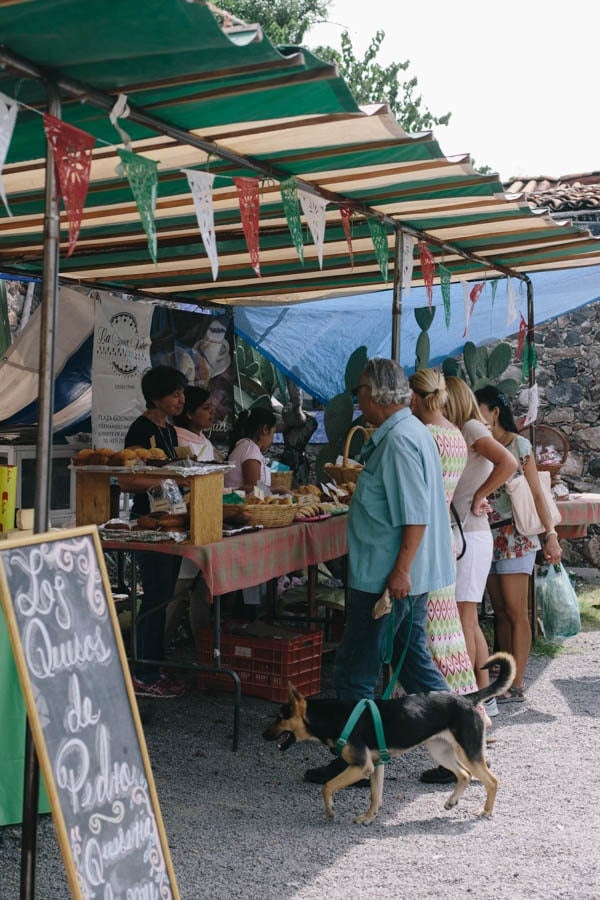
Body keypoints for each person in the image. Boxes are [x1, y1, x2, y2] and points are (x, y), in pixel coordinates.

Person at [305, 358, 455, 785]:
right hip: (400, 574)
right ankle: (458, 745)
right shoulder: (409, 433)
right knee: (414, 664)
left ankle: (356, 760)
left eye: (358, 393)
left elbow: (415, 516)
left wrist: (401, 570)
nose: (357, 401)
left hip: (387, 579)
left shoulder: (401, 441)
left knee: (355, 668)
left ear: (371, 395)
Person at [475, 385, 562, 701]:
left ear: (494, 412)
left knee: (515, 611)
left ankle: (517, 682)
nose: (475, 415)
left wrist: (550, 534)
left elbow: (538, 494)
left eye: (479, 409)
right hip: (489, 535)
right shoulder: (481, 445)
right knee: (499, 610)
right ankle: (506, 678)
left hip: (516, 536)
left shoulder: (519, 444)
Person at [119, 365, 188, 699]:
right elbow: (127, 480)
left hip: (171, 521)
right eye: (174, 393)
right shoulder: (139, 429)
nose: (181, 399)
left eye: (182, 392)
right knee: (155, 597)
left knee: (164, 595)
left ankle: (154, 666)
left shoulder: (171, 432)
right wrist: (170, 481)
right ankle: (144, 673)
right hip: (147, 522)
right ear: (156, 397)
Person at [408, 369, 477, 695]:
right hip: (444, 538)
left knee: (426, 630)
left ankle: (459, 706)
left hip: (422, 540)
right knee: (446, 629)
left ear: (414, 397)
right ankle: (462, 702)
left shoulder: (425, 437)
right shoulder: (455, 435)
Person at [165, 385, 223, 648]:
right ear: (189, 414)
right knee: (179, 588)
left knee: (202, 588)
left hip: (206, 519)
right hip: (183, 518)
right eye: (206, 409)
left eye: (212, 408)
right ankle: (159, 648)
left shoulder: (206, 442)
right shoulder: (177, 438)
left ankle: (202, 647)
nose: (212, 413)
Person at [224, 406, 277, 491]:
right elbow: (254, 490)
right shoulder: (250, 450)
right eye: (273, 433)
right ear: (265, 429)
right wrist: (280, 490)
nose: (272, 439)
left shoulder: (245, 446)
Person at [173, 385, 223, 462]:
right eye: (206, 408)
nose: (212, 411)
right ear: (190, 414)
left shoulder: (204, 440)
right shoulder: (180, 442)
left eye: (211, 406)